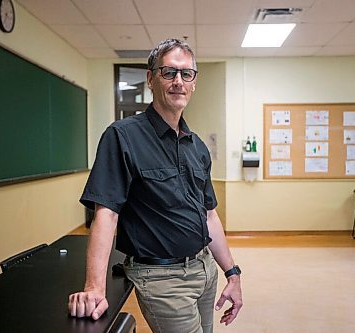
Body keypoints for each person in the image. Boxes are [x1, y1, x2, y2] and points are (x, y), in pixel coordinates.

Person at [68, 38, 242, 332]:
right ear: (151, 78)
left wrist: (232, 274)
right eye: (169, 72)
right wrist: (94, 288)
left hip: (205, 269)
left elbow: (209, 215)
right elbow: (106, 214)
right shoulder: (122, 136)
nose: (178, 82)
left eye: (186, 74)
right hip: (161, 277)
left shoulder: (196, 146)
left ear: (194, 82)